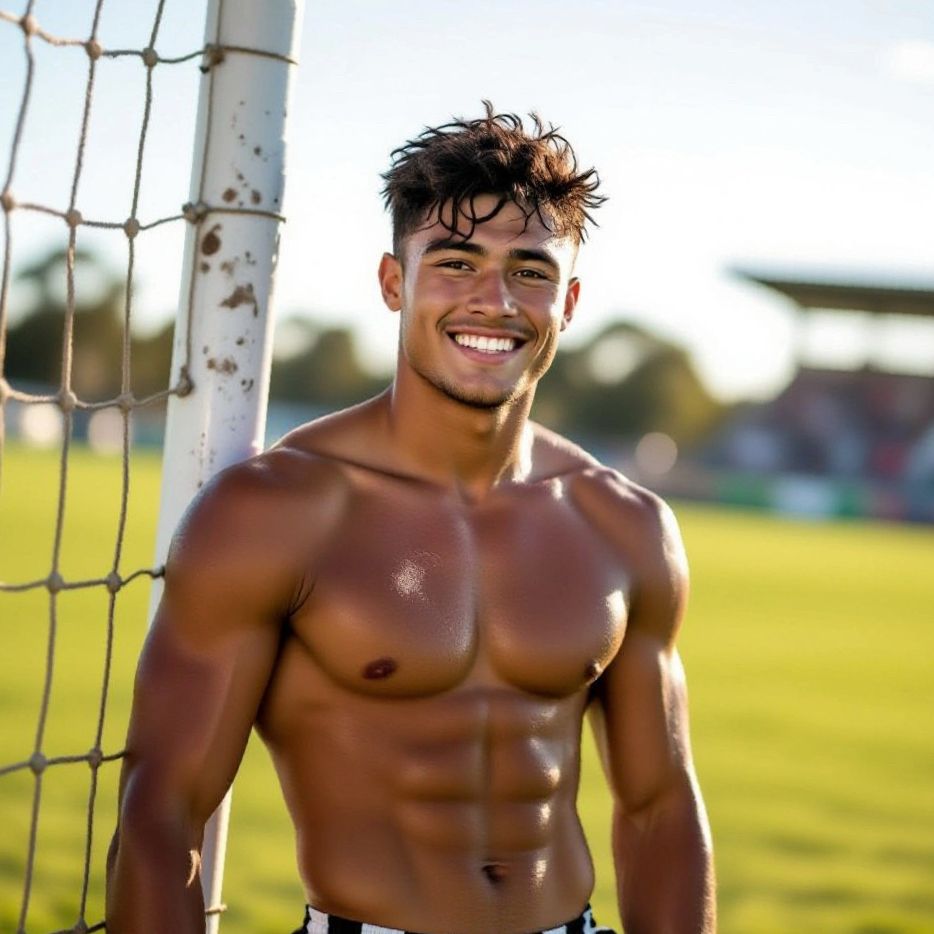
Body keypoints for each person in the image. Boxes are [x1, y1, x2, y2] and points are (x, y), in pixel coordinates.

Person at [106, 103, 716, 934]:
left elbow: (660, 809)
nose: (494, 300)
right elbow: (160, 814)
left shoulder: (624, 523)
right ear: (395, 283)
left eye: (531, 272)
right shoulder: (277, 512)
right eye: (456, 263)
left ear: (568, 302)